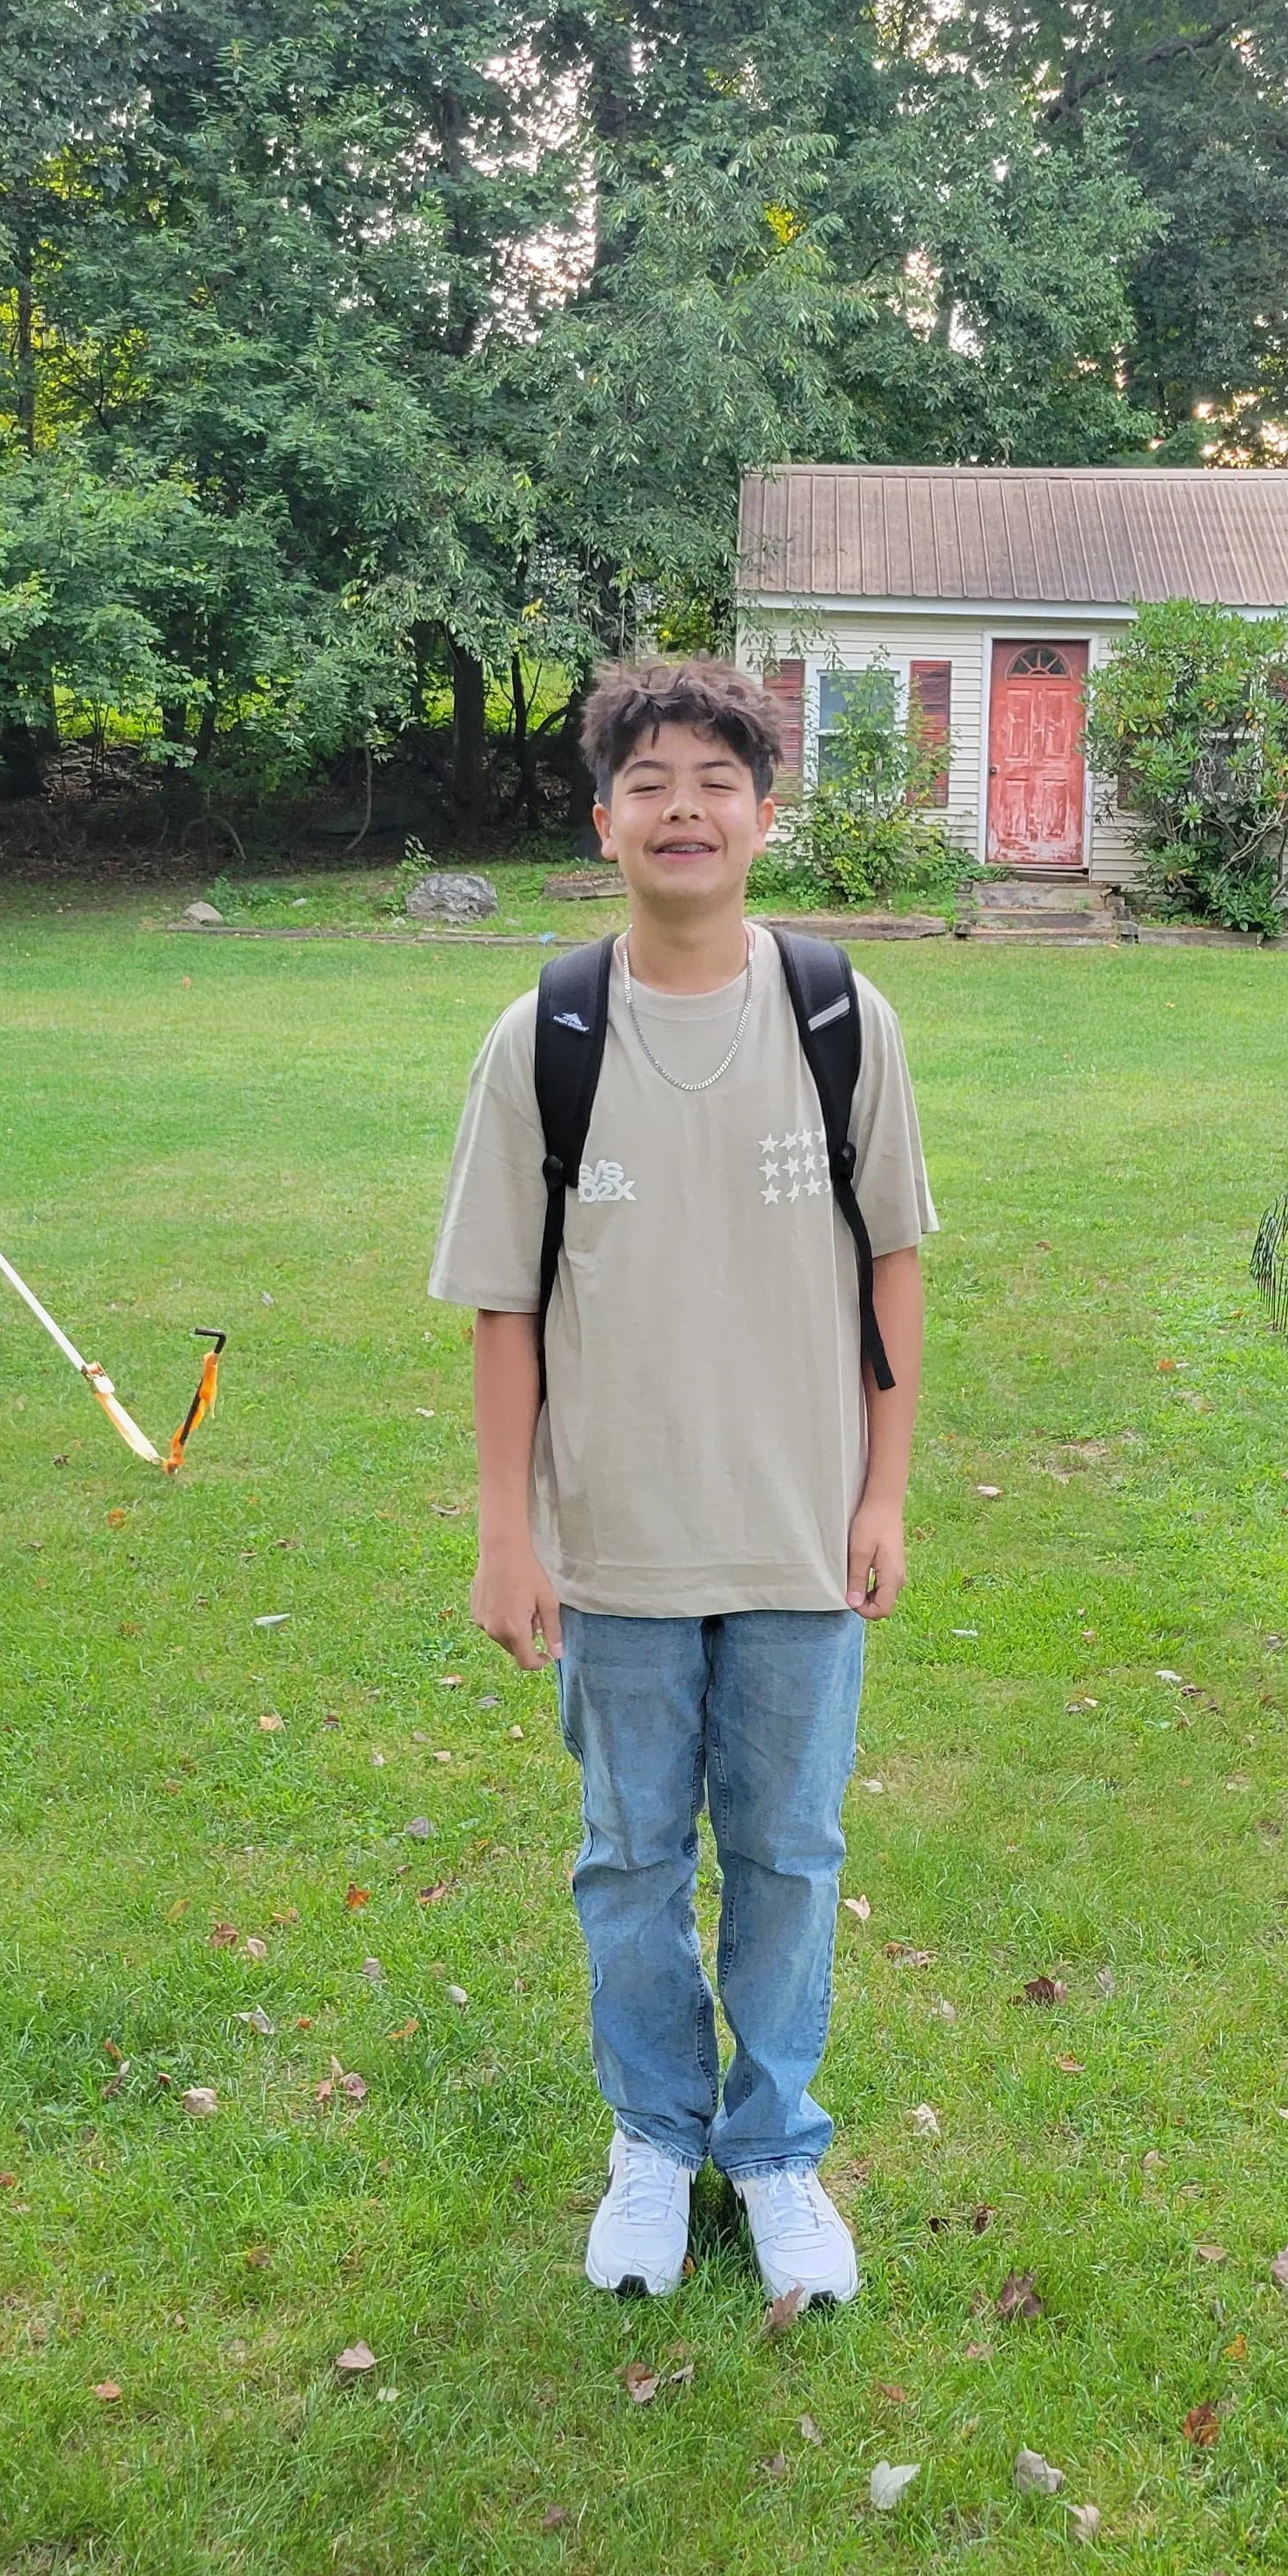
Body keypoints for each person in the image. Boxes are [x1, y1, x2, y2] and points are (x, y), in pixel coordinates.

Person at [429, 655, 934, 2306]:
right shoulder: (547, 1035)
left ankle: (777, 2150)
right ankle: (656, 2140)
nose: (684, 808)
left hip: (798, 1535)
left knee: (788, 1855)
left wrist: (884, 1496)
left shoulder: (843, 1015)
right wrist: (508, 1535)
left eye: (717, 780)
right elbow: (506, 1305)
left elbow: (898, 1266)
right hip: (620, 1545)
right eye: (648, 782)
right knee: (633, 1860)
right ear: (603, 822)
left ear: (768, 816)